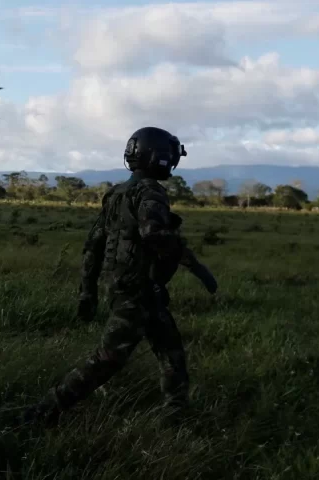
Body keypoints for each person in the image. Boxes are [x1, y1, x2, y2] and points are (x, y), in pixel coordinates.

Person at [23, 126, 215, 425]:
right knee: (109, 358)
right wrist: (194, 265)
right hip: (136, 290)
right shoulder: (151, 192)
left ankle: (177, 413)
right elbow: (155, 235)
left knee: (171, 351)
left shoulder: (116, 193)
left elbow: (93, 244)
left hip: (136, 288)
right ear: (159, 158)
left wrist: (88, 290)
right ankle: (45, 411)